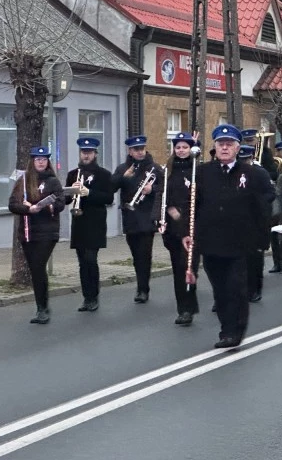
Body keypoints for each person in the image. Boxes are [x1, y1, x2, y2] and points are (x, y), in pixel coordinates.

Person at [183, 125, 271, 349]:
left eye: (229, 144)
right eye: (221, 144)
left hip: (240, 243)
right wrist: (188, 232)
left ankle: (235, 331)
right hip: (211, 242)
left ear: (237, 147)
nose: (224, 147)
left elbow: (263, 208)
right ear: (214, 147)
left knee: (236, 289)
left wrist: (261, 239)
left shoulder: (252, 174)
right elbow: (192, 206)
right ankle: (225, 330)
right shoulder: (202, 173)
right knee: (220, 290)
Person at [8, 146, 65, 324]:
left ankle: (43, 309)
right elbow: (12, 205)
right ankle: (41, 305)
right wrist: (28, 208)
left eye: (44, 159)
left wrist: (48, 206)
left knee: (39, 267)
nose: (41, 162)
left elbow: (61, 203)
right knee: (35, 270)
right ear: (32, 162)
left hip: (47, 232)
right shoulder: (23, 181)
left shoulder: (53, 182)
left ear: (48, 162)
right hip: (27, 232)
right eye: (37, 159)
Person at [156, 132, 201, 326]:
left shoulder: (198, 171)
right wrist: (164, 213)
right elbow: (160, 195)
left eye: (185, 147)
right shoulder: (168, 171)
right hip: (173, 227)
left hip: (193, 226)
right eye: (178, 147)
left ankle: (189, 307)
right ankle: (183, 307)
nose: (181, 150)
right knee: (177, 268)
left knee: (188, 266)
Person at [112, 136, 163, 304]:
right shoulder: (123, 168)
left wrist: (152, 188)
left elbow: (165, 188)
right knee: (136, 256)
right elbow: (111, 187)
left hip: (147, 218)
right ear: (130, 151)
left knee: (144, 255)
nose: (140, 152)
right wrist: (123, 178)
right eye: (136, 149)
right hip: (130, 218)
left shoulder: (154, 168)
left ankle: (143, 289)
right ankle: (141, 285)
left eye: (142, 149)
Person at [65, 137, 114, 312]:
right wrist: (72, 190)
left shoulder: (104, 174)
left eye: (89, 153)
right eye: (83, 153)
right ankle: (86, 297)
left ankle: (94, 296)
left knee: (90, 259)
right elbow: (65, 199)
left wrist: (88, 192)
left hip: (95, 222)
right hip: (78, 223)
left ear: (95, 154)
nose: (86, 156)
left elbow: (109, 198)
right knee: (81, 262)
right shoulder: (73, 174)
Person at [237, 144, 276, 302]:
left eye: (246, 159)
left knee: (254, 258)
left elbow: (270, 194)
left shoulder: (260, 173)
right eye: (241, 159)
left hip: (256, 221)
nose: (243, 162)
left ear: (251, 158)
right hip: (237, 222)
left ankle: (255, 289)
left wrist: (256, 203)